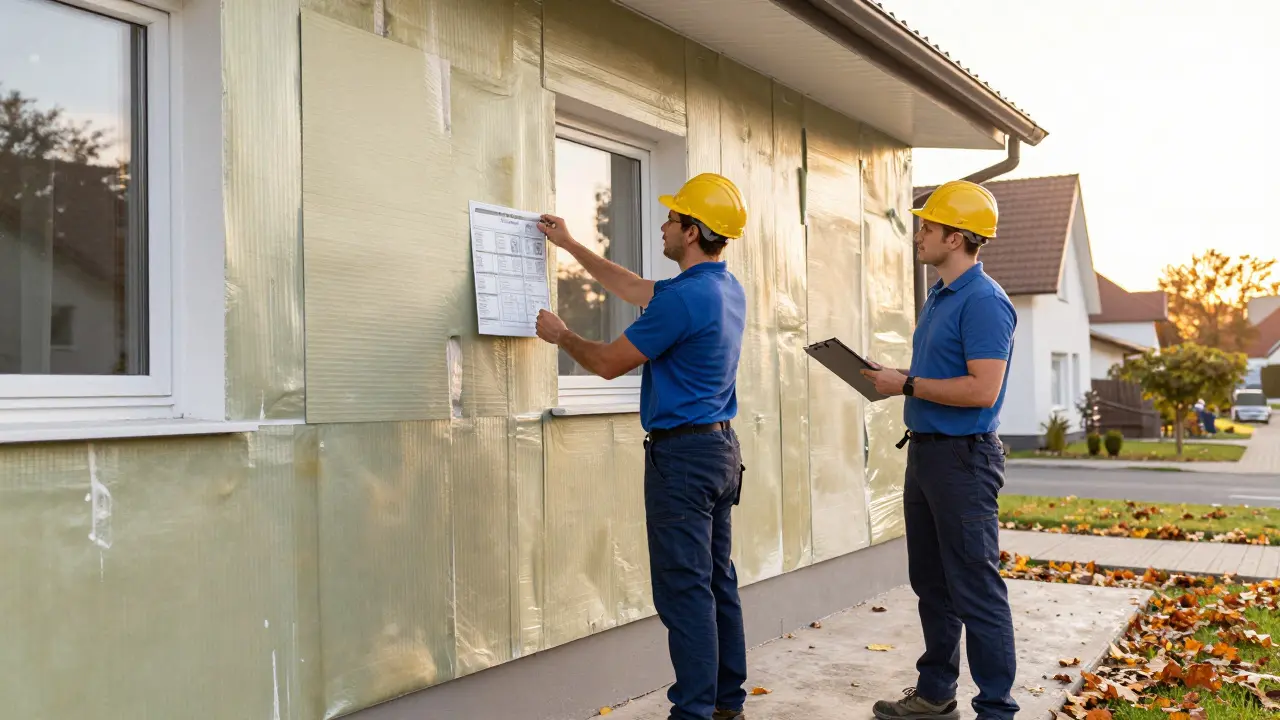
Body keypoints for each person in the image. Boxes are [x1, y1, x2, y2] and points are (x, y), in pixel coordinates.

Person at [533, 173, 751, 720]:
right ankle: (726, 703)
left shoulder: (684, 301)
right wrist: (571, 246)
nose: (663, 225)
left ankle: (694, 711)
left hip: (683, 459)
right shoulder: (720, 288)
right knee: (716, 580)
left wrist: (563, 336)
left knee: (684, 590)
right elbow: (634, 288)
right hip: (720, 451)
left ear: (695, 232)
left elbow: (608, 364)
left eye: (673, 219)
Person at [860, 180, 1020, 720]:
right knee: (931, 582)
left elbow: (982, 390)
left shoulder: (984, 302)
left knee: (975, 586)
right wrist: (898, 377)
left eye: (927, 227)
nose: (918, 234)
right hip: (926, 455)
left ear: (956, 238)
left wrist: (905, 385)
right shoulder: (940, 295)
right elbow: (940, 378)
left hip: (963, 461)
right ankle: (935, 696)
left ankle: (996, 708)